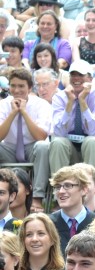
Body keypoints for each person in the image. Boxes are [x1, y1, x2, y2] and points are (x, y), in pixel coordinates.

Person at [0, 69, 51, 206]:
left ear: (29, 87)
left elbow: (41, 136)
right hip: (9, 149)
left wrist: (23, 112)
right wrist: (13, 113)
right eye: (13, 86)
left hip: (33, 148)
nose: (16, 90)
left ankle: (37, 197)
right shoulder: (3, 104)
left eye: (21, 86)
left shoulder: (42, 105)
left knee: (43, 146)